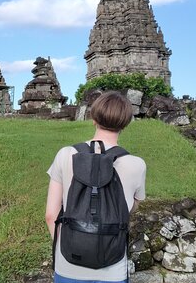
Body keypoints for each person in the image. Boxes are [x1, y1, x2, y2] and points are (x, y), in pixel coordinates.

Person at [45, 91, 146, 283]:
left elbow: (51, 215)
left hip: (68, 265)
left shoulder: (66, 155)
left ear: (93, 118)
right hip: (113, 267)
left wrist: (67, 246)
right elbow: (130, 209)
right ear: (125, 123)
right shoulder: (137, 164)